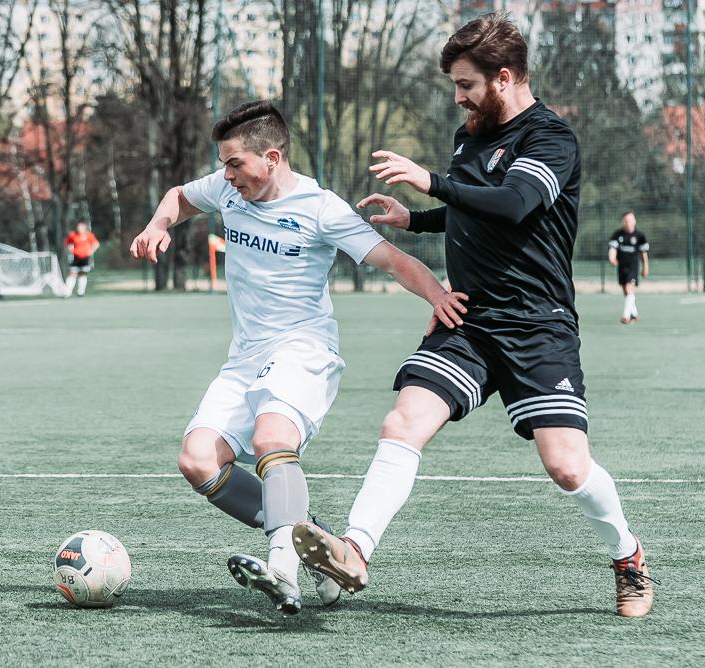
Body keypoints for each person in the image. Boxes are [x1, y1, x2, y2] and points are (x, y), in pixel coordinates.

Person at [293, 14, 656, 618]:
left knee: (567, 467)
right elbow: (474, 207)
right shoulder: (470, 135)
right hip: (469, 318)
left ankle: (628, 557)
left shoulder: (550, 138)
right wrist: (415, 219)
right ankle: (355, 550)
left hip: (537, 325)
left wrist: (431, 183)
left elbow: (513, 204)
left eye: (466, 84)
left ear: (504, 78)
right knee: (403, 422)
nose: (458, 97)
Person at [129, 100, 467, 616]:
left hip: (304, 349)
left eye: (235, 164)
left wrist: (439, 297)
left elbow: (392, 260)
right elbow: (179, 196)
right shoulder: (226, 189)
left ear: (271, 157)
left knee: (272, 437)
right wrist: (159, 224)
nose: (226, 175)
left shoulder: (320, 208)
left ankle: (282, 569)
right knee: (197, 461)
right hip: (245, 356)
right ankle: (314, 540)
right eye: (223, 165)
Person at [608, 210, 649, 324]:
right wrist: (612, 258)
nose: (628, 222)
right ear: (623, 222)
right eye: (626, 220)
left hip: (633, 267)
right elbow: (612, 249)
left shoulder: (640, 236)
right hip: (622, 267)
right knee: (626, 291)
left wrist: (645, 267)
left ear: (635, 221)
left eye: (630, 220)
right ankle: (634, 314)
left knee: (629, 288)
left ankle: (625, 316)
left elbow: (644, 254)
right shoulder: (618, 235)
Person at [64, 221, 99, 297]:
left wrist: (91, 251)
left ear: (84, 228)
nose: (80, 228)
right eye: (78, 227)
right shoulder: (72, 235)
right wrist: (70, 249)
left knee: (83, 274)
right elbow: (67, 244)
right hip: (75, 257)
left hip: (85, 257)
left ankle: (81, 292)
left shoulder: (88, 235)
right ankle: (67, 292)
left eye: (81, 227)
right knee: (72, 274)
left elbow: (96, 244)